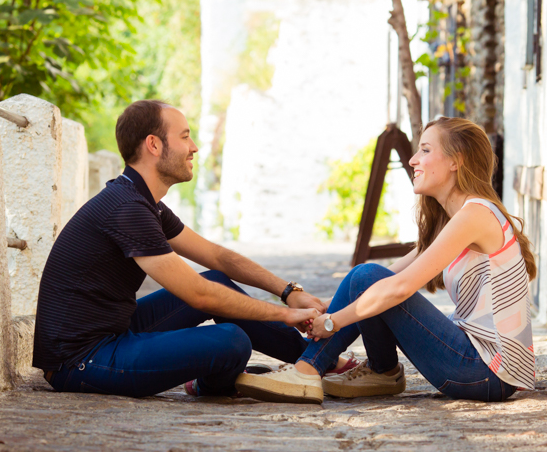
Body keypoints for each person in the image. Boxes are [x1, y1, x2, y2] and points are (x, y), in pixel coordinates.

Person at [33, 100, 354, 398]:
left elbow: (217, 257)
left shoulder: (143, 201)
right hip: (79, 360)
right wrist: (286, 315)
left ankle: (317, 363)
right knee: (231, 341)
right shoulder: (127, 208)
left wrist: (288, 291)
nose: (195, 147)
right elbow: (199, 295)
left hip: (116, 330)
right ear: (154, 145)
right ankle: (210, 381)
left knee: (216, 277)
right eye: (185, 137)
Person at [235, 117, 537, 404]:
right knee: (365, 277)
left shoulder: (475, 215)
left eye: (425, 150)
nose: (413, 159)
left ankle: (306, 371)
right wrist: (330, 307)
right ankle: (379, 371)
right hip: (480, 367)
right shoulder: (459, 219)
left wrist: (332, 322)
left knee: (368, 276)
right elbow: (378, 279)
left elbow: (398, 287)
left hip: (487, 372)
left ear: (456, 161)